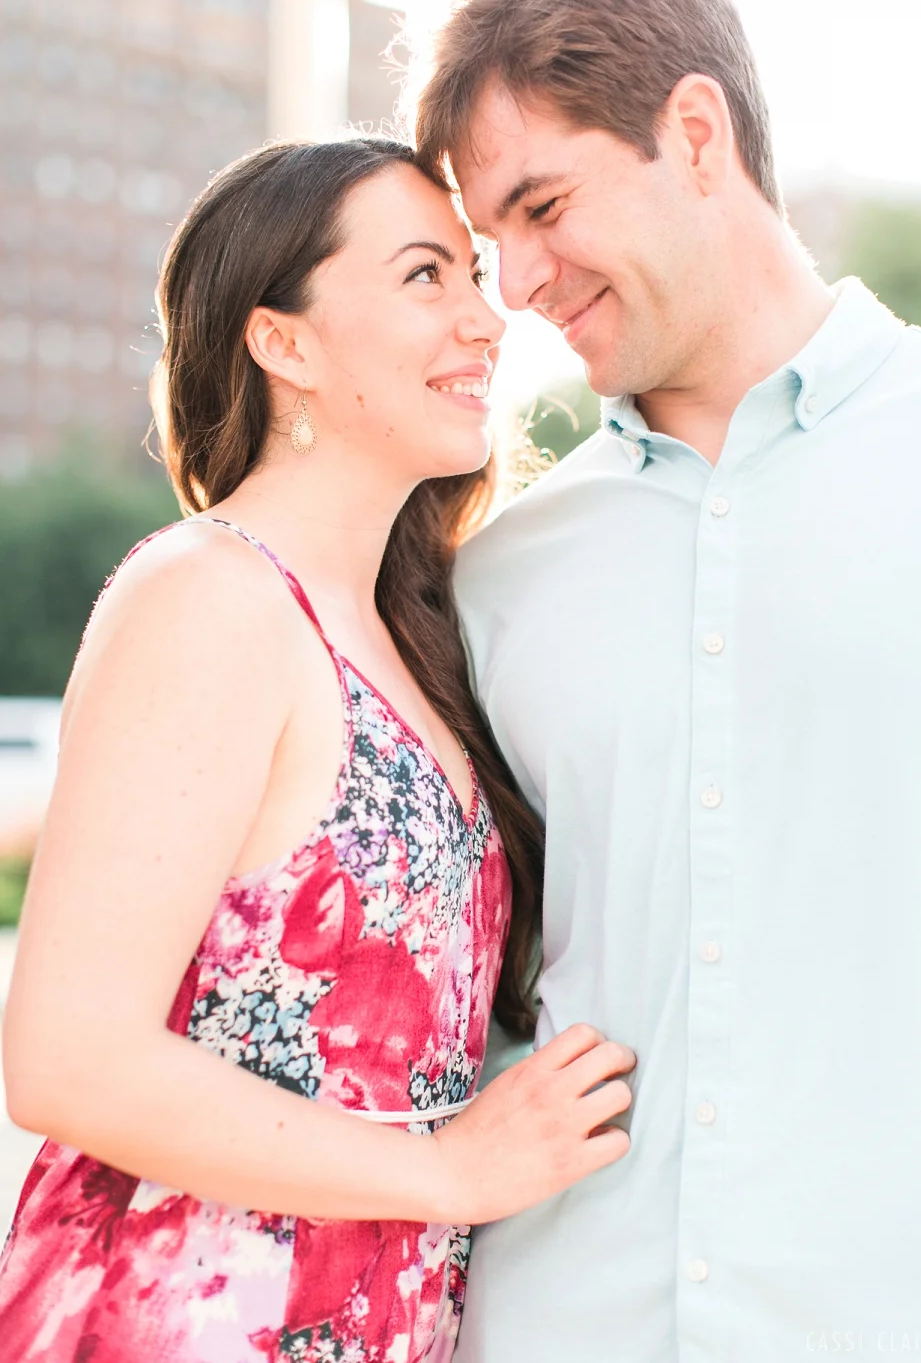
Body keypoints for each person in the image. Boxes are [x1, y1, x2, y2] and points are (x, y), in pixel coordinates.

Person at [414, 0, 921, 1363]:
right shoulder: (497, 569)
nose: (516, 283)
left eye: (542, 205)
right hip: (561, 1315)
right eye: (487, 244)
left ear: (696, 134)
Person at [0, 138, 635, 1363]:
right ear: (281, 343)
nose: (486, 318)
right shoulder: (211, 598)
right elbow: (68, 1059)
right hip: (186, 1320)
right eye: (423, 277)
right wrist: (448, 1170)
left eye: (472, 275)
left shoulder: (417, 635)